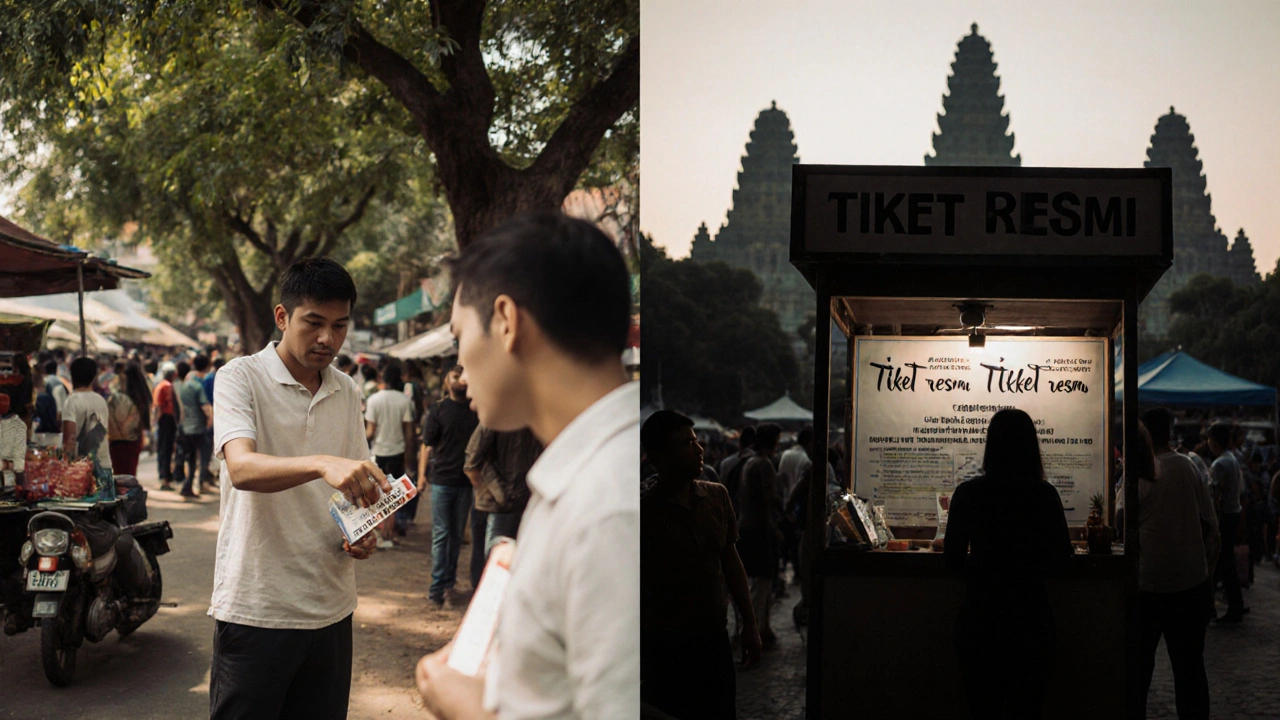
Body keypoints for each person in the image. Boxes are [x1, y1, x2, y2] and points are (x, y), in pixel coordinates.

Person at [415, 211, 637, 720]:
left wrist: (470, 708)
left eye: (458, 337)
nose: (461, 368)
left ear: (507, 322)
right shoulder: (588, 481)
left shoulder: (607, 511)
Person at [209, 256, 391, 720]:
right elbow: (242, 468)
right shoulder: (240, 377)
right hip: (257, 607)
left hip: (331, 607)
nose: (328, 339)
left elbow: (358, 485)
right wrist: (320, 462)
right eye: (314, 323)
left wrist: (363, 528)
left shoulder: (347, 390)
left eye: (339, 325)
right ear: (282, 316)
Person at [944, 408, 1072, 720]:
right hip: (1030, 620)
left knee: (983, 709)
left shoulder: (968, 492)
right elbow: (1061, 559)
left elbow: (952, 559)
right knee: (1026, 709)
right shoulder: (1044, 494)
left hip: (980, 618)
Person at [640, 410, 761, 720]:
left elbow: (731, 564)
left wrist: (749, 623)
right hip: (664, 648)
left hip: (714, 640)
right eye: (685, 444)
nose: (699, 449)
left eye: (696, 441)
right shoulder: (642, 514)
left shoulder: (716, 497)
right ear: (658, 458)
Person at [1134, 408, 1218, 720]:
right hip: (1190, 583)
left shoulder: (1138, 471)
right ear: (1170, 431)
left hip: (1148, 585)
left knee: (1139, 669)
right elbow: (1209, 523)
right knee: (1190, 669)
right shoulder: (1189, 466)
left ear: (1142, 432)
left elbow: (1119, 520)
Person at [417, 364, 479, 607]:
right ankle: (437, 588)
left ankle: (448, 587)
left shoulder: (475, 410)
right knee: (442, 535)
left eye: (462, 376)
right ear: (446, 381)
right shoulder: (438, 409)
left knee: (455, 536)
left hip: (465, 483)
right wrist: (422, 477)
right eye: (455, 376)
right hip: (441, 481)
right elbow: (426, 445)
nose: (460, 380)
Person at [736, 421, 783, 650]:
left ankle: (762, 627)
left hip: (747, 527)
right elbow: (767, 500)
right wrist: (776, 528)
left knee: (758, 582)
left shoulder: (749, 463)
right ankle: (756, 629)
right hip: (761, 529)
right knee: (763, 582)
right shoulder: (764, 464)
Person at [464, 425, 542, 555]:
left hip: (518, 499)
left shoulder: (532, 422)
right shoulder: (496, 420)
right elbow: (472, 463)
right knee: (494, 556)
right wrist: (497, 492)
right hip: (500, 501)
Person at [364, 363, 416, 549]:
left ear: (383, 379)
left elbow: (370, 432)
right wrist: (410, 458)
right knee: (394, 494)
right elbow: (409, 434)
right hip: (398, 452)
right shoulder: (404, 401)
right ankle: (391, 534)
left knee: (378, 493)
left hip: (378, 452)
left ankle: (381, 533)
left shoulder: (374, 400)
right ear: (399, 379)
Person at [1207, 422, 1245, 622]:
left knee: (1223, 562)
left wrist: (1212, 522)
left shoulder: (1219, 464)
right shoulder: (1232, 459)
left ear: (1213, 440)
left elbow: (1217, 498)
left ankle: (1234, 607)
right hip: (1234, 513)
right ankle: (1236, 603)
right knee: (1227, 562)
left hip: (1224, 517)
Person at [61, 357, 113, 472]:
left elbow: (69, 439)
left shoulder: (71, 401)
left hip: (81, 469)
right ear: (94, 377)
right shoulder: (101, 400)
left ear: (72, 375)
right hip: (104, 466)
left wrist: (66, 466)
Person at [174, 357, 213, 499]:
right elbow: (205, 407)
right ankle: (191, 484)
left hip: (185, 427)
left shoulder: (182, 386)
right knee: (198, 458)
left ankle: (186, 485)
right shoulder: (197, 387)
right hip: (198, 428)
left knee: (187, 457)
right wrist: (210, 420)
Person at [107, 361, 151, 476]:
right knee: (130, 476)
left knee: (118, 477)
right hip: (134, 440)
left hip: (117, 442)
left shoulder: (119, 397)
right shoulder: (141, 397)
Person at [152, 365, 180, 491]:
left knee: (163, 450)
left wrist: (155, 422)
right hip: (168, 420)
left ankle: (164, 477)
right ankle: (165, 478)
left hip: (164, 420)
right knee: (166, 450)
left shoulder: (161, 386)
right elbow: (160, 406)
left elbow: (158, 407)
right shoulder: (168, 386)